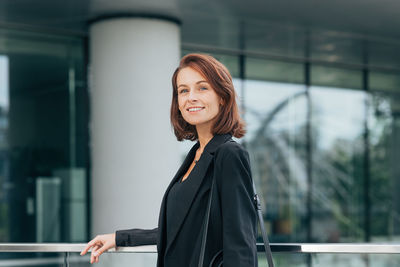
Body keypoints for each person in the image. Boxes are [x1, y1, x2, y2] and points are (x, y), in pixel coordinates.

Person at [80, 53, 258, 266]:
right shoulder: (195, 155)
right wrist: (120, 238)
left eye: (202, 88)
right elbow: (178, 231)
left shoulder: (229, 155)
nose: (190, 97)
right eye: (183, 91)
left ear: (222, 96)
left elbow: (241, 244)